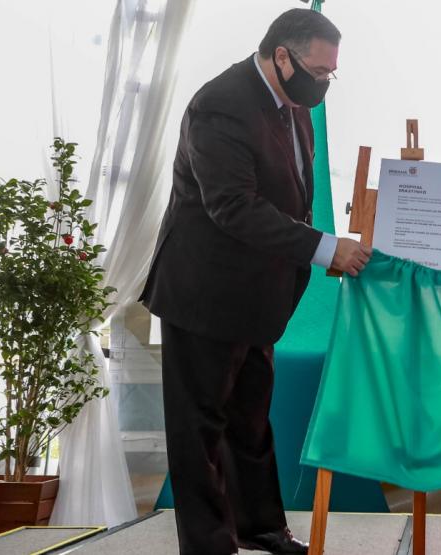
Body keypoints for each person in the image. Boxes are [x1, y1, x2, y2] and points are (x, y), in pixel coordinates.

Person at [140, 9, 371, 555]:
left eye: (331, 74)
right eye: (318, 70)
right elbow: (233, 208)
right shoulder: (220, 103)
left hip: (256, 296)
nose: (323, 83)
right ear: (282, 56)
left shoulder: (292, 107)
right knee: (199, 429)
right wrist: (323, 248)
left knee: (250, 419)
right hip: (203, 292)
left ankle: (259, 524)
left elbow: (292, 194)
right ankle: (208, 543)